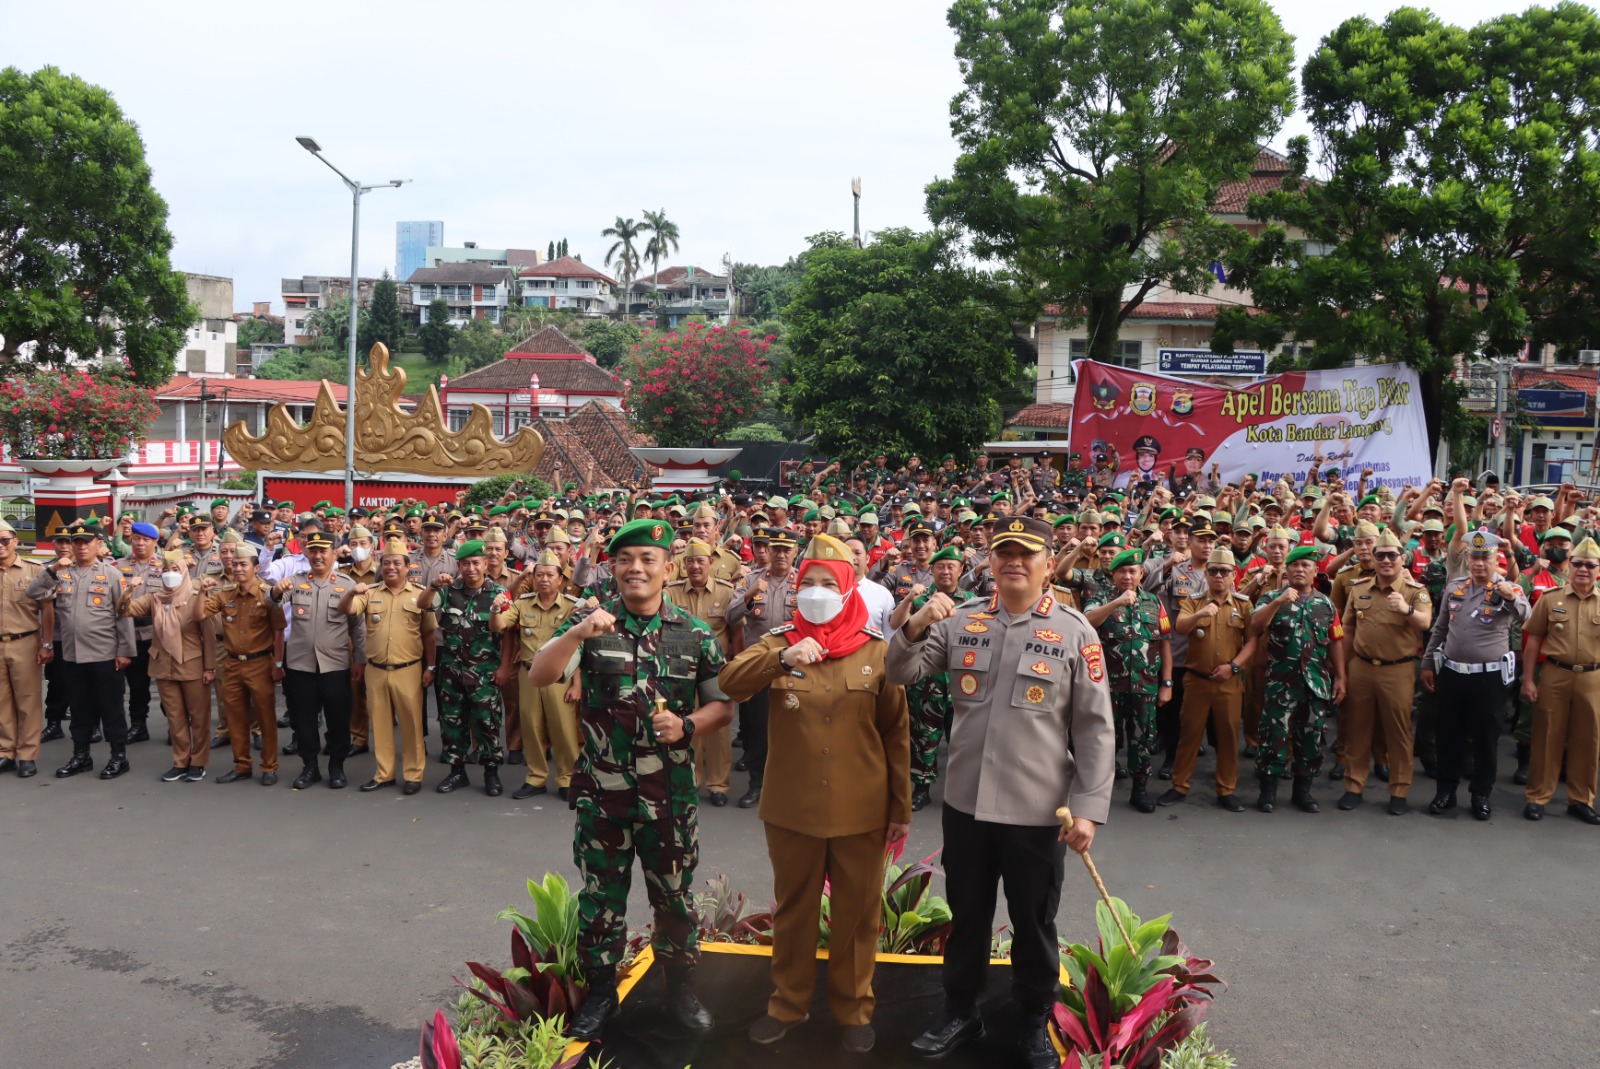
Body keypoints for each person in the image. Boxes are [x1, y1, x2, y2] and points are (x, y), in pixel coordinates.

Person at [887, 516, 1114, 1069]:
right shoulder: (961, 620)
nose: (1013, 561)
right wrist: (916, 623)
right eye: (1003, 552)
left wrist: (1087, 810)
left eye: (1026, 553)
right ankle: (960, 1009)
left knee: (1034, 918)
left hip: (1037, 810)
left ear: (1047, 561)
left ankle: (1034, 1016)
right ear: (989, 561)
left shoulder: (1075, 630)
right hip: (966, 803)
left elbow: (1094, 728)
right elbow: (900, 671)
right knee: (967, 912)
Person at [528, 518, 734, 1042]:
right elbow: (540, 674)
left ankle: (679, 989)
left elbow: (722, 705)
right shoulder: (593, 623)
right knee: (601, 899)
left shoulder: (695, 633)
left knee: (675, 898)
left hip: (671, 797)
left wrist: (688, 725)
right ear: (612, 567)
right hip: (604, 794)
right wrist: (576, 630)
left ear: (669, 570)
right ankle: (601, 994)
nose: (636, 569)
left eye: (647, 560)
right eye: (625, 560)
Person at [719, 532, 911, 1055]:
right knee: (795, 910)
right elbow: (730, 683)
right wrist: (780, 661)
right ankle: (788, 1004)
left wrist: (901, 808)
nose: (818, 592)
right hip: (792, 808)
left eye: (831, 583)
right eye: (810, 583)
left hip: (862, 808)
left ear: (851, 590)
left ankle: (854, 1008)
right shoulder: (779, 642)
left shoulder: (876, 653)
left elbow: (896, 735)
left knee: (857, 914)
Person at [1421, 529, 1527, 820]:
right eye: (1474, 557)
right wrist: (1427, 663)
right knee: (1448, 736)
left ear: (1496, 559)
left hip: (1488, 678)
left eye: (1486, 557)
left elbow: (1525, 615)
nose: (1479, 563)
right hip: (1453, 673)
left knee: (1485, 738)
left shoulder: (1507, 588)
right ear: (1467, 558)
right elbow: (1440, 628)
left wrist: (1511, 597)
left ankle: (1481, 794)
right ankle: (1446, 792)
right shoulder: (1455, 587)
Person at [28, 521, 137, 779]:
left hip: (104, 654)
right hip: (72, 655)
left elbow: (123, 615)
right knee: (78, 708)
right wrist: (53, 569)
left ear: (98, 545)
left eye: (86, 542)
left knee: (110, 707)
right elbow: (33, 592)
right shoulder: (61, 573)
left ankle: (118, 757)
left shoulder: (111, 575)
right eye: (76, 543)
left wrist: (125, 651)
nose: (80, 547)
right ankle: (81, 755)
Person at [1339, 528, 1432, 815]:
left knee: (1399, 733)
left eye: (1392, 555)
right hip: (1362, 667)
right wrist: (1341, 671)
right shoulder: (1359, 588)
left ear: (1402, 559)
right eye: (1381, 555)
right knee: (1358, 729)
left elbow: (1425, 623)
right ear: (1374, 559)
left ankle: (1399, 789)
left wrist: (1405, 609)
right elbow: (1349, 630)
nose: (1386, 560)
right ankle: (1354, 785)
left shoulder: (1416, 591)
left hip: (1398, 670)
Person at [1249, 545, 1347, 813]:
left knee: (1311, 738)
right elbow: (1256, 626)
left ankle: (1302, 792)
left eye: (1306, 565)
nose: (1300, 570)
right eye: (1294, 565)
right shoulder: (1271, 597)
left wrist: (1340, 677)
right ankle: (1268, 792)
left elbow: (1336, 641)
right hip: (1281, 682)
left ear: (1315, 571)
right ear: (1286, 570)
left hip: (1315, 682)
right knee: (1273, 736)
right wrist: (1279, 602)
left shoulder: (1324, 604)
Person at [1162, 547, 1257, 811]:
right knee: (1189, 735)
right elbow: (1179, 627)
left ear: (1233, 575)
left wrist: (1234, 667)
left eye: (1224, 571)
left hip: (1229, 681)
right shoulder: (1194, 601)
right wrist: (1200, 614)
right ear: (1207, 574)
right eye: (1213, 570)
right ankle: (1179, 785)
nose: (1218, 576)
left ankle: (1226, 789)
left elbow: (1251, 642)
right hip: (1197, 680)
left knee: (1228, 737)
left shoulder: (1243, 604)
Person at [270, 530, 366, 790]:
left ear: (334, 553)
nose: (318, 555)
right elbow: (275, 600)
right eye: (313, 550)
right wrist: (276, 592)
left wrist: (360, 659)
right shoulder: (295, 581)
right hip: (300, 664)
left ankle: (336, 765)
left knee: (338, 718)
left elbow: (357, 627)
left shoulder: (346, 584)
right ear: (306, 553)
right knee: (304, 719)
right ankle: (309, 766)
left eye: (324, 550)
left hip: (335, 664)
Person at [344, 537, 436, 795]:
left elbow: (429, 635)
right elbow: (348, 610)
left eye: (397, 563)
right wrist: (351, 592)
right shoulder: (369, 593)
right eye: (386, 563)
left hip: (409, 668)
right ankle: (383, 774)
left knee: (412, 725)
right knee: (381, 724)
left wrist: (431, 667)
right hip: (376, 669)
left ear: (408, 566)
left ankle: (413, 774)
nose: (391, 567)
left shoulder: (420, 595)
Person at [1083, 548, 1172, 813]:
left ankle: (1139, 790)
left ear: (1141, 573)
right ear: (1113, 574)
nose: (1127, 575)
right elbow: (1087, 622)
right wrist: (1116, 603)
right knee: (1103, 739)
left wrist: (1167, 683)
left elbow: (1165, 643)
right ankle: (1097, 791)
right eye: (1121, 570)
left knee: (1142, 738)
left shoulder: (1154, 603)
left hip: (1144, 684)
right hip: (1107, 686)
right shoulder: (1099, 597)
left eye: (1133, 571)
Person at [1519, 535, 1600, 824]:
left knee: (1587, 741)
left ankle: (1581, 799)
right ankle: (1538, 795)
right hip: (1555, 674)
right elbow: (1533, 641)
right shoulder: (1551, 599)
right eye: (1578, 563)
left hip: (1593, 678)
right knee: (1547, 736)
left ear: (1598, 569)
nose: (1583, 570)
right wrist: (1528, 680)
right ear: (1570, 565)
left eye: (1590, 565)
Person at [420, 539, 509, 796]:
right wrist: (434, 585)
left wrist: (503, 668)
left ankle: (491, 773)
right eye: (465, 563)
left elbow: (507, 634)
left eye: (476, 563)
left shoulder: (499, 593)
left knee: (487, 723)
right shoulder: (448, 591)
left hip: (484, 674)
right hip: (452, 672)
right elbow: (423, 605)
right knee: (451, 723)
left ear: (485, 564)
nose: (471, 568)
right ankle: (456, 772)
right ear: (458, 565)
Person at [120, 550, 217, 782]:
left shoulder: (196, 596)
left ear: (184, 572)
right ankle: (180, 761)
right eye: (165, 570)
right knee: (175, 717)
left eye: (175, 570)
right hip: (164, 665)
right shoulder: (155, 598)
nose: (170, 575)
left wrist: (210, 667)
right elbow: (125, 610)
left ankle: (199, 761)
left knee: (199, 716)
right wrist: (129, 590)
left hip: (192, 665)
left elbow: (209, 635)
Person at [493, 549, 582, 801]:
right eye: (539, 575)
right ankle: (536, 777)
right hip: (529, 674)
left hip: (559, 676)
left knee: (564, 729)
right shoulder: (522, 604)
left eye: (549, 575)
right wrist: (495, 609)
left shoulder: (571, 607)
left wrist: (577, 683)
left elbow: (580, 645)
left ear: (559, 579)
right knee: (531, 727)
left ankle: (567, 778)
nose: (544, 579)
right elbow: (499, 625)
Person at [888, 544, 972, 812]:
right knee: (924, 737)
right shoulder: (921, 602)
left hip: (962, 682)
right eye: (940, 567)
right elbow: (897, 625)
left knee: (964, 738)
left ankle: (965, 791)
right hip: (927, 683)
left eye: (951, 567)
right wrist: (911, 600)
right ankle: (922, 788)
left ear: (961, 571)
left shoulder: (973, 602)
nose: (945, 571)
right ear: (932, 571)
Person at [727, 527, 800, 809]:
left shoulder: (805, 582)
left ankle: (788, 785)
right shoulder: (752, 579)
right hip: (760, 665)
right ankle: (757, 783)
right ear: (768, 551)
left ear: (795, 552)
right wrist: (748, 595)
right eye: (776, 549)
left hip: (793, 666)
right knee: (757, 727)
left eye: (787, 550)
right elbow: (731, 616)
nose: (781, 555)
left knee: (793, 727)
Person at [201, 542, 285, 785]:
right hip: (232, 664)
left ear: (256, 567)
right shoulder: (226, 594)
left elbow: (279, 631)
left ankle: (269, 766)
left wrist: (278, 664)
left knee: (265, 717)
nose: (237, 568)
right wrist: (199, 593)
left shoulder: (268, 595)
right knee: (235, 717)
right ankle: (241, 765)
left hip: (260, 663)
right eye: (234, 564)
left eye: (243, 564)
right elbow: (199, 615)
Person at [664, 539, 737, 806]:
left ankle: (718, 784)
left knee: (719, 729)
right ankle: (691, 781)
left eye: (701, 561)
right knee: (689, 725)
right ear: (683, 565)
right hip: (681, 670)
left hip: (717, 670)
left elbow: (735, 632)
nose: (695, 566)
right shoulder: (671, 592)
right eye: (690, 561)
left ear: (711, 563)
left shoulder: (727, 593)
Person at [0, 519, 49, 778]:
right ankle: (5, 751)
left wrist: (46, 643)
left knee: (27, 700)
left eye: (4, 540)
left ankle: (27, 754)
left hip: (25, 642)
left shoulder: (34, 570)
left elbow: (47, 610)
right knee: (1, 701)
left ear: (15, 541)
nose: (0, 546)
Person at [115, 521, 165, 744]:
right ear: (131, 540)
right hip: (130, 635)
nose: (141, 543)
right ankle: (138, 725)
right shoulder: (117, 566)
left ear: (155, 542)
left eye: (146, 540)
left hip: (157, 635)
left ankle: (176, 725)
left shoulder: (166, 566)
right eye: (137, 539)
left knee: (168, 684)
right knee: (137, 686)